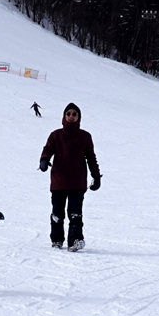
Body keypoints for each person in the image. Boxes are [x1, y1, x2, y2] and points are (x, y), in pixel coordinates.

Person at [39, 102, 101, 251]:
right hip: (59, 181)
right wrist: (44, 159)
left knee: (75, 213)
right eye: (68, 114)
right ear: (64, 117)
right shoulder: (56, 135)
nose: (71, 117)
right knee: (57, 213)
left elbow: (91, 158)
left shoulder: (85, 137)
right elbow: (48, 149)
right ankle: (57, 240)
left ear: (79, 117)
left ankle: (75, 241)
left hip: (77, 182)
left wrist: (96, 176)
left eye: (74, 114)